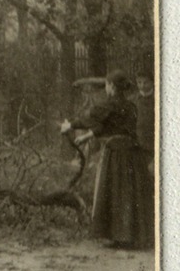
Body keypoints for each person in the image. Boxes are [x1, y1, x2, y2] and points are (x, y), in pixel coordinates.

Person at [60, 71, 153, 250]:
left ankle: (119, 236)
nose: (106, 88)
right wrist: (88, 135)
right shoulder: (131, 106)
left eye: (107, 85)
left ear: (112, 87)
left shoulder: (109, 105)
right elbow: (107, 125)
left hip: (117, 154)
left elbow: (91, 117)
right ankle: (129, 236)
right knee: (128, 193)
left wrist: (69, 125)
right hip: (132, 154)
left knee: (116, 191)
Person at [135, 65, 155, 169]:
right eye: (139, 82)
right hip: (139, 142)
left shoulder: (157, 99)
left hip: (153, 143)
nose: (142, 85)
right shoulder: (134, 100)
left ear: (152, 82)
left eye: (145, 82)